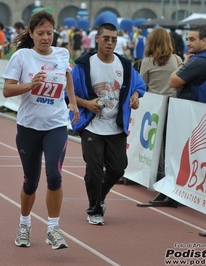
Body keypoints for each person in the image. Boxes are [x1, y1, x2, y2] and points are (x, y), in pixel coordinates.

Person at [2, 10, 79, 249]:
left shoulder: (62, 53)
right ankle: (24, 224)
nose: (46, 37)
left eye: (49, 33)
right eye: (41, 33)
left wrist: (73, 101)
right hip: (29, 127)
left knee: (55, 176)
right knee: (31, 181)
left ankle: (53, 228)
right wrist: (30, 85)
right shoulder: (22, 57)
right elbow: (7, 90)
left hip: (55, 124)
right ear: (32, 34)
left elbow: (66, 75)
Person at [70, 23, 145, 226]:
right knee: (93, 168)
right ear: (97, 39)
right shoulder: (84, 65)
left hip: (117, 126)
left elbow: (139, 85)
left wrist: (136, 96)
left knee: (118, 168)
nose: (110, 42)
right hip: (92, 125)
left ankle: (99, 196)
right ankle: (94, 209)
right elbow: (68, 94)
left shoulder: (125, 65)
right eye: (106, 38)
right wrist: (87, 103)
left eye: (113, 39)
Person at [139, 27, 182, 180]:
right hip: (172, 105)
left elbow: (141, 84)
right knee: (168, 140)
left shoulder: (147, 62)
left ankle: (156, 170)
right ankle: (168, 173)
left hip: (153, 106)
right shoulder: (177, 60)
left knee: (152, 141)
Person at [169, 26, 206, 102]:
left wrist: (183, 63)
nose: (188, 43)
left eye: (192, 40)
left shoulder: (199, 61)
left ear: (203, 41)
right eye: (187, 39)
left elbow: (172, 82)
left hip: (190, 109)